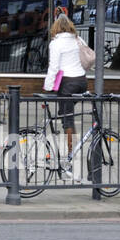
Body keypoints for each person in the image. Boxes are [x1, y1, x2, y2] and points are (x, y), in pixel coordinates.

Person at [43, 13, 88, 154]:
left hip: (67, 83)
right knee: (65, 113)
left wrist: (48, 87)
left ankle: (71, 151)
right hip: (81, 81)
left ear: (55, 27)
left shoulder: (56, 43)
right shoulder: (78, 39)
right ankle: (72, 144)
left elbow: (54, 67)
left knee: (67, 117)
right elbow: (85, 56)